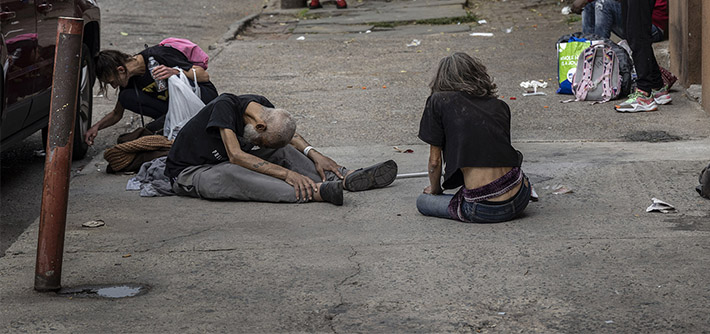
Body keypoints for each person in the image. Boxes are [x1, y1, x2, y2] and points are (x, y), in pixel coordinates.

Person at [165, 93, 398, 205]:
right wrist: (287, 174)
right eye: (261, 142)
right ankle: (316, 191)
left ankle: (340, 177)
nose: (260, 146)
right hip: (191, 172)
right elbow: (235, 156)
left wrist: (315, 154)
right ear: (259, 126)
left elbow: (287, 136)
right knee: (231, 172)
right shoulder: (225, 106)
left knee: (282, 151)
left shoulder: (263, 107)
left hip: (225, 160)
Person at [416, 53, 532, 223]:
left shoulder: (438, 101)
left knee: (423, 202)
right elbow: (496, 151)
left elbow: (435, 162)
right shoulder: (500, 106)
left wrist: (435, 190)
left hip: (485, 208)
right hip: (521, 196)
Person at [88, 46, 218, 146]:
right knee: (126, 97)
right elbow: (117, 113)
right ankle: (170, 123)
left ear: (121, 70)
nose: (114, 86)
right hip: (175, 110)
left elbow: (204, 76)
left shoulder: (158, 55)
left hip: (201, 99)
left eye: (112, 82)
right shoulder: (129, 79)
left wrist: (175, 72)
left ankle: (183, 122)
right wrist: (96, 127)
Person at [563, 0, 668, 44]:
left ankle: (599, 50)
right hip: (636, 25)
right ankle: (587, 45)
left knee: (603, 3)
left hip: (652, 29)